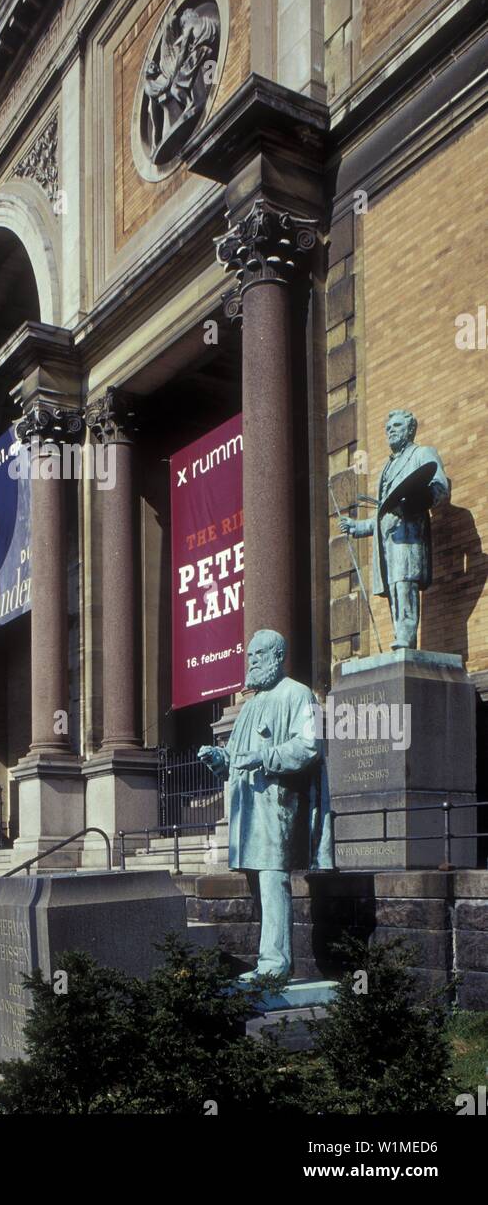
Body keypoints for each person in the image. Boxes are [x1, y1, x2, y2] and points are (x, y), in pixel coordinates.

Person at [198, 629, 333, 979]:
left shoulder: (299, 694)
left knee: (274, 881)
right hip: (248, 810)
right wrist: (219, 759)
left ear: (277, 656)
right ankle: (267, 960)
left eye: (259, 654)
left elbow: (310, 746)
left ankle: (276, 964)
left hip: (277, 806)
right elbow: (237, 759)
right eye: (250, 655)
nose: (251, 660)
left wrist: (265, 756)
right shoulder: (251, 704)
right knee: (258, 882)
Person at [339, 409, 449, 649]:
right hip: (387, 542)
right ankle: (400, 635)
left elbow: (440, 488)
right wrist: (357, 527)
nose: (390, 431)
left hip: (409, 534)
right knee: (394, 590)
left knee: (404, 584)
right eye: (388, 428)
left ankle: (406, 637)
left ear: (410, 430)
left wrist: (410, 505)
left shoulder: (422, 454)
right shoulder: (387, 467)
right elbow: (383, 514)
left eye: (397, 426)